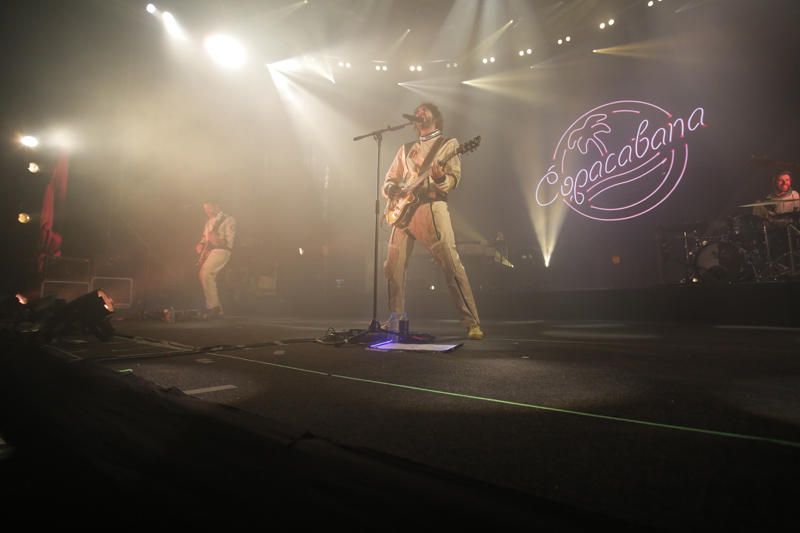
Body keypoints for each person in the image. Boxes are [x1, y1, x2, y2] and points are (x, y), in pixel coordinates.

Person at [383, 102, 484, 340]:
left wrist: (439, 179)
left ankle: (472, 322)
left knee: (450, 261)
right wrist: (392, 190)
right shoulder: (406, 148)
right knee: (392, 266)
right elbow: (390, 178)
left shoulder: (449, 144)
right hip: (402, 212)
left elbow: (452, 180)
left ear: (435, 117)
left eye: (424, 110)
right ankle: (395, 318)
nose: (419, 112)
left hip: (431, 207)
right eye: (416, 110)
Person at [196, 201, 236, 318]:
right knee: (204, 275)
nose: (206, 212)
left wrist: (217, 240)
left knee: (206, 274)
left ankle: (214, 307)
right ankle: (215, 307)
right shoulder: (208, 222)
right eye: (205, 209)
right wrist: (200, 244)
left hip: (222, 251)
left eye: (209, 208)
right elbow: (204, 238)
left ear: (217, 206)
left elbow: (229, 242)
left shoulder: (229, 220)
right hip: (210, 252)